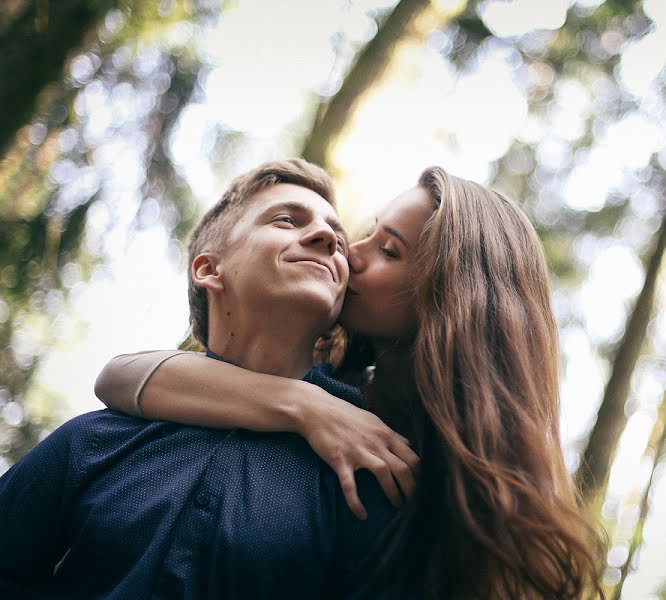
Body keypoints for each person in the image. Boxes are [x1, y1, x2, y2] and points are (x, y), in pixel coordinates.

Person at [95, 166, 606, 599]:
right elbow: (118, 376)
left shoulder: (475, 493)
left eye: (387, 250)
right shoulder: (325, 376)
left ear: (452, 300)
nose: (348, 252)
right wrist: (303, 403)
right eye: (365, 234)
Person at [0, 158, 408, 599]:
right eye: (287, 220)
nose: (328, 239)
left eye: (337, 238)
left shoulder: (368, 456)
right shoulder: (95, 438)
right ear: (209, 270)